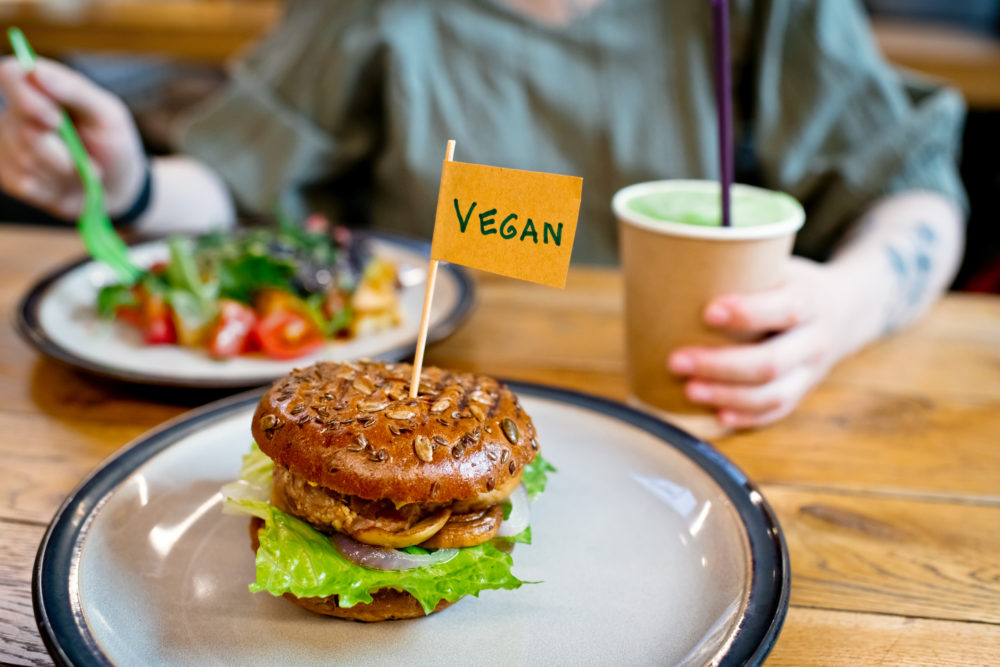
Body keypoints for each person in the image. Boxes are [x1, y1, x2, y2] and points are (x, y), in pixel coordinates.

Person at [0, 0, 965, 428]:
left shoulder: (747, 11)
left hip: (694, 409)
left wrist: (849, 303)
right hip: (419, 393)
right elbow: (245, 185)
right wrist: (122, 183)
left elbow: (914, 182)